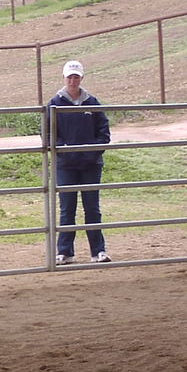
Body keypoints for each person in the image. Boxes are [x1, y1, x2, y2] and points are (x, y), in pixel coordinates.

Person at [49, 61, 111, 265]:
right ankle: (65, 251)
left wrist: (91, 152)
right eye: (70, 77)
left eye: (76, 77)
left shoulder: (92, 102)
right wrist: (64, 151)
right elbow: (49, 134)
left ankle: (98, 251)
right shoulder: (55, 103)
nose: (73, 81)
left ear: (81, 78)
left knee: (92, 207)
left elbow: (103, 132)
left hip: (90, 164)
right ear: (64, 78)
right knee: (67, 208)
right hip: (66, 165)